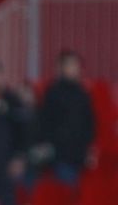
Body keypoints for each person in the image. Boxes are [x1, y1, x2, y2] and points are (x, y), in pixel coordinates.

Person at [36, 50, 95, 184]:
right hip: (61, 154)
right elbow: (45, 122)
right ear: (62, 68)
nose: (75, 69)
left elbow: (89, 122)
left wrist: (88, 147)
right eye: (71, 65)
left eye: (76, 65)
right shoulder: (53, 93)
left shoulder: (83, 93)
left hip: (80, 154)